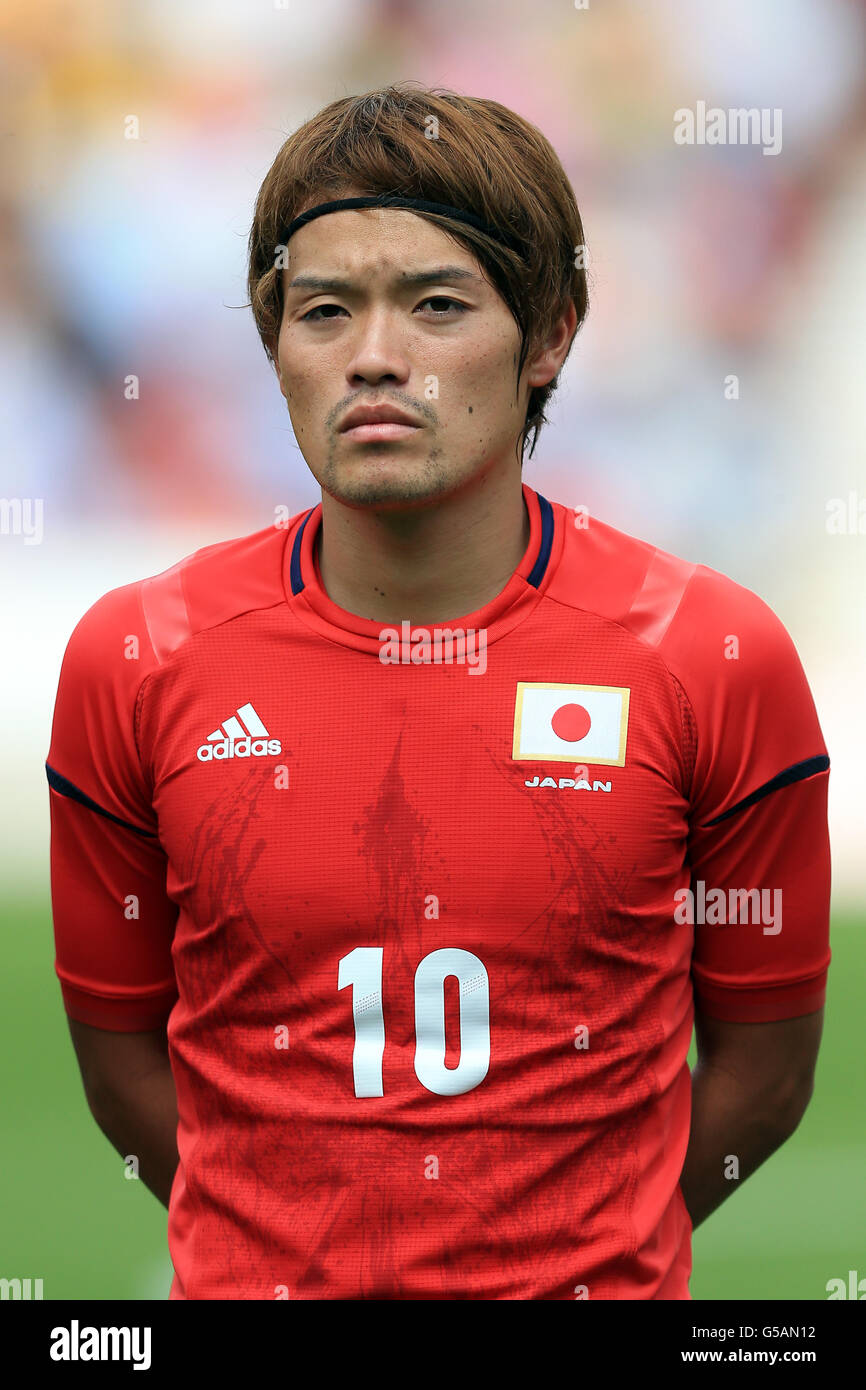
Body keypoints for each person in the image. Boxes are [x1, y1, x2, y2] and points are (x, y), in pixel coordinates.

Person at [46, 83, 830, 1300]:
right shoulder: (138, 655)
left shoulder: (710, 654)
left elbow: (766, 1073)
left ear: (550, 333)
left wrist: (565, 1255)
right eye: (323, 310)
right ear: (275, 347)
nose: (372, 355)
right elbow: (120, 1066)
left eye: (436, 304)